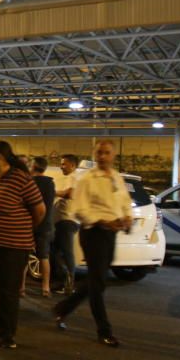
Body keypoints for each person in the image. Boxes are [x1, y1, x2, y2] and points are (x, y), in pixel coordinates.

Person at [53, 140, 130, 348]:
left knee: (98, 280)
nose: (103, 157)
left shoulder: (116, 178)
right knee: (98, 284)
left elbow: (123, 201)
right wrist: (101, 221)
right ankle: (104, 331)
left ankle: (63, 308)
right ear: (95, 155)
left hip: (110, 234)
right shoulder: (87, 179)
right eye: (100, 153)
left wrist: (127, 216)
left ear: (114, 156)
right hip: (93, 233)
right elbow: (78, 209)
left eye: (107, 153)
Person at [0, 140, 45, 349]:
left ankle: (6, 334)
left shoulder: (21, 179)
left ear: (0, 157)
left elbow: (39, 212)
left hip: (13, 246)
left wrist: (19, 228)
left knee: (8, 291)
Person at [50, 154, 79, 293]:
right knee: (54, 252)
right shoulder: (66, 178)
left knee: (67, 253)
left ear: (73, 165)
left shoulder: (74, 178)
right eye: (61, 164)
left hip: (67, 220)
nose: (61, 166)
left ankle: (69, 284)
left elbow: (70, 193)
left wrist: (53, 192)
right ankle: (61, 282)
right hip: (59, 221)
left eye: (64, 164)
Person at [30, 156, 56, 298]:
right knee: (44, 256)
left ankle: (20, 287)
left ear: (34, 166)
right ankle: (46, 287)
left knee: (24, 256)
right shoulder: (50, 183)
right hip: (46, 224)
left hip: (31, 223)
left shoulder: (31, 182)